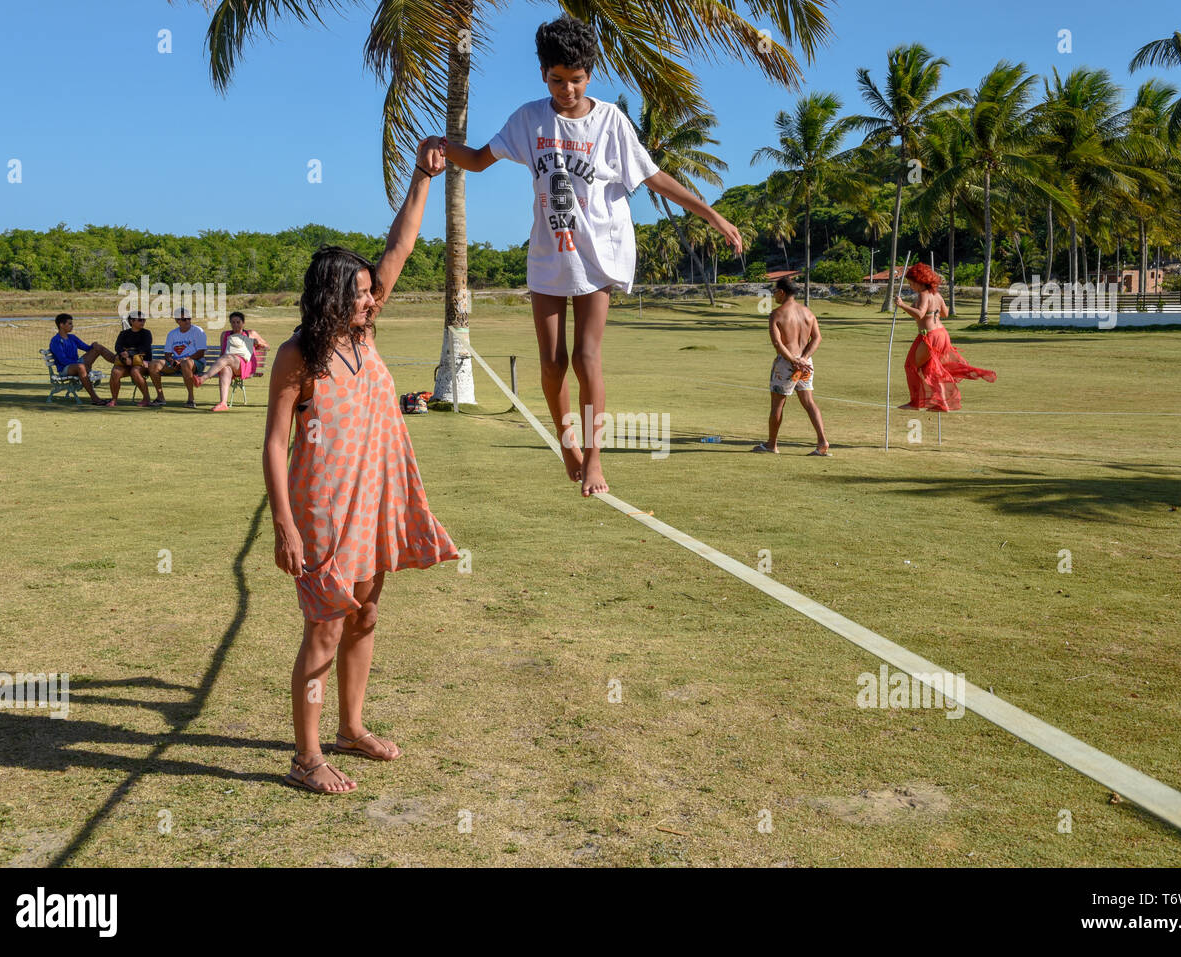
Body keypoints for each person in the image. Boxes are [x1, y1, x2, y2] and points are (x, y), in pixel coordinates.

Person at [439, 15, 744, 497]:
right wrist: (438, 147)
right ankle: (567, 445)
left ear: (590, 73)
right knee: (551, 362)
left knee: (586, 357)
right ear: (544, 74)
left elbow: (652, 177)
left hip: (600, 254)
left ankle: (596, 458)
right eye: (557, 80)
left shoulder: (610, 123)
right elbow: (478, 160)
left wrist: (711, 214)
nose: (566, 89)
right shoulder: (529, 119)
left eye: (575, 80)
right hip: (547, 257)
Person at [263, 136, 458, 794]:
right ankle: (306, 757)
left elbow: (399, 246)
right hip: (320, 508)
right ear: (332, 297)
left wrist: (422, 179)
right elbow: (271, 443)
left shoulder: (365, 334)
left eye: (375, 292)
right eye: (363, 293)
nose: (374, 300)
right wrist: (285, 528)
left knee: (365, 615)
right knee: (324, 627)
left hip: (373, 497)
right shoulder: (296, 356)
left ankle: (351, 727)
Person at [894, 262, 996, 411]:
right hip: (942, 334)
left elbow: (920, 314)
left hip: (930, 336)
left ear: (919, 281)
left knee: (911, 366)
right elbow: (945, 313)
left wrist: (902, 305)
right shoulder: (936, 294)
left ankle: (916, 403)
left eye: (911, 283)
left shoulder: (923, 294)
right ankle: (940, 403)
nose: (911, 286)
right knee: (931, 369)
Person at [753, 277, 830, 455]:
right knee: (809, 402)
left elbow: (778, 344)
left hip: (786, 364)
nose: (773, 295)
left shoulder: (777, 314)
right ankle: (822, 441)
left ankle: (772, 445)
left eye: (775, 291)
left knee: (777, 405)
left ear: (782, 292)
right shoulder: (808, 313)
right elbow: (817, 338)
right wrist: (803, 358)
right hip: (806, 364)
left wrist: (794, 360)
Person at [192, 311, 269, 411]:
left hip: (244, 365)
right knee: (225, 368)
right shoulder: (225, 334)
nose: (235, 325)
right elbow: (222, 352)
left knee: (228, 358)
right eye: (233, 322)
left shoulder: (250, 333)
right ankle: (223, 403)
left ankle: (203, 378)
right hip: (228, 362)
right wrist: (220, 365)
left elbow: (267, 346)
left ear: (243, 323)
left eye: (238, 322)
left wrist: (258, 343)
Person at [48, 314, 116, 405]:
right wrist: (82, 365)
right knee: (81, 367)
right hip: (65, 368)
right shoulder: (55, 340)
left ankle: (118, 361)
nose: (72, 326)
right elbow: (62, 360)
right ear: (61, 325)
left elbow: (86, 348)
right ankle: (95, 399)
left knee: (98, 347)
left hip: (77, 364)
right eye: (70, 324)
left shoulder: (72, 337)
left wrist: (93, 345)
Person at [147, 307, 208, 407]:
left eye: (189, 318)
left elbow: (201, 353)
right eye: (184, 319)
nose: (187, 321)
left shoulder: (198, 331)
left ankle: (191, 399)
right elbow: (167, 353)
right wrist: (171, 361)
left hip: (196, 362)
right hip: (176, 363)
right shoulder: (172, 334)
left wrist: (184, 359)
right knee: (153, 364)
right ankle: (160, 397)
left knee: (185, 363)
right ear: (177, 320)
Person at [108, 311, 153, 407]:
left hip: (142, 362)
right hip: (125, 362)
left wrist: (129, 354)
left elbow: (144, 348)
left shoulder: (146, 333)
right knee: (115, 371)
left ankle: (146, 399)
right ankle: (114, 399)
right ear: (131, 321)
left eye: (144, 320)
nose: (143, 322)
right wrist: (123, 354)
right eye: (140, 320)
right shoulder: (124, 334)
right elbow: (118, 347)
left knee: (135, 371)